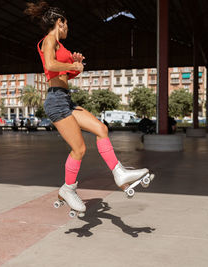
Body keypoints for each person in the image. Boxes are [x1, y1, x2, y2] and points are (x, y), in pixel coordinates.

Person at [25, 1, 149, 214]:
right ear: (59, 22)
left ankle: (119, 173)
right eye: (66, 24)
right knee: (79, 148)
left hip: (65, 99)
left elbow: (63, 73)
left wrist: (76, 66)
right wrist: (71, 65)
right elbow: (51, 65)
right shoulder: (48, 41)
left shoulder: (61, 46)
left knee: (101, 129)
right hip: (56, 101)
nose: (68, 28)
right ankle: (68, 188)